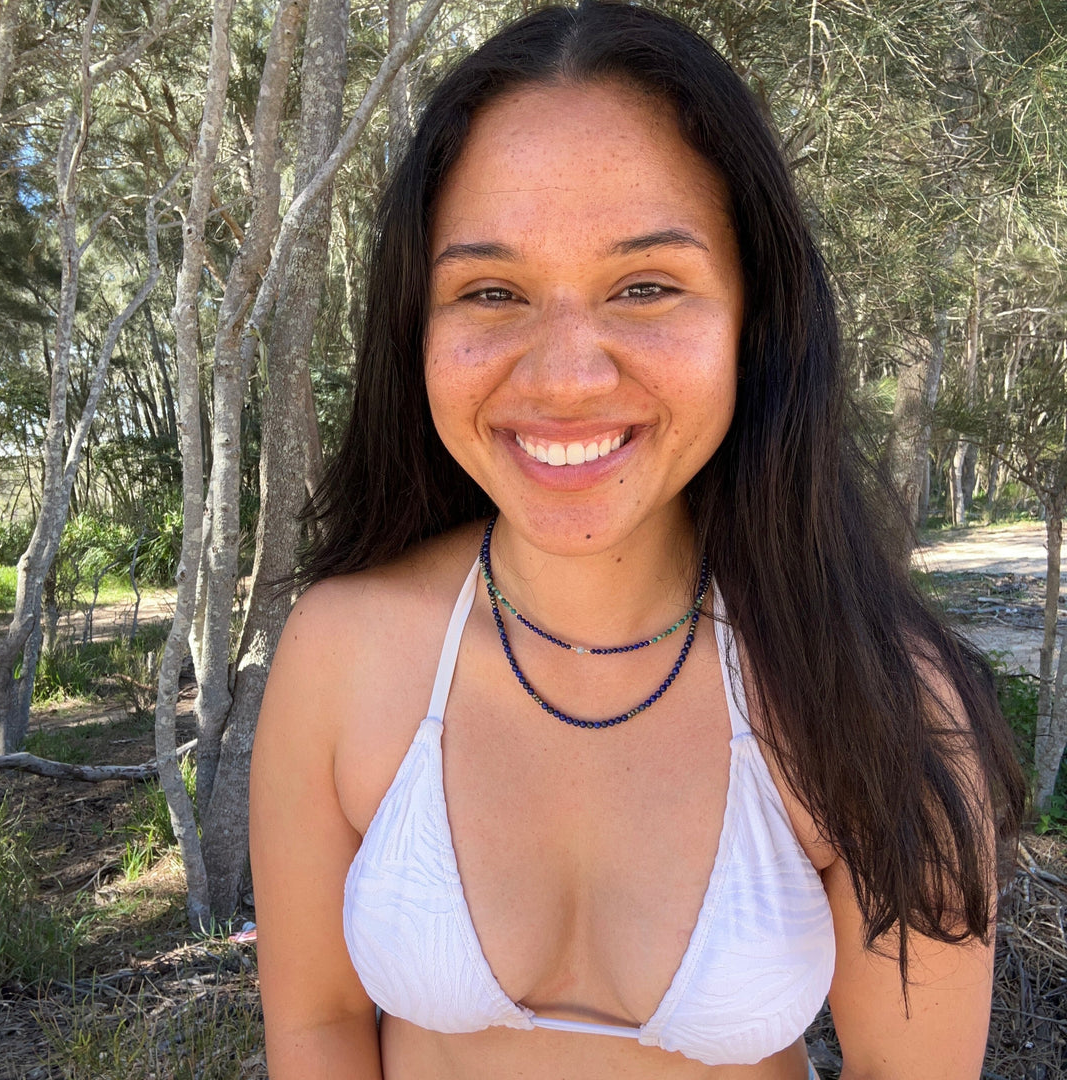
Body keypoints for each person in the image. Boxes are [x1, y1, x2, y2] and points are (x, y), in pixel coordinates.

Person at [250, 4, 1025, 1078]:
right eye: (491, 290)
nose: (566, 377)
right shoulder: (341, 653)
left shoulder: (884, 698)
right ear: (417, 326)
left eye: (647, 286)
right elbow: (319, 1025)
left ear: (755, 319)